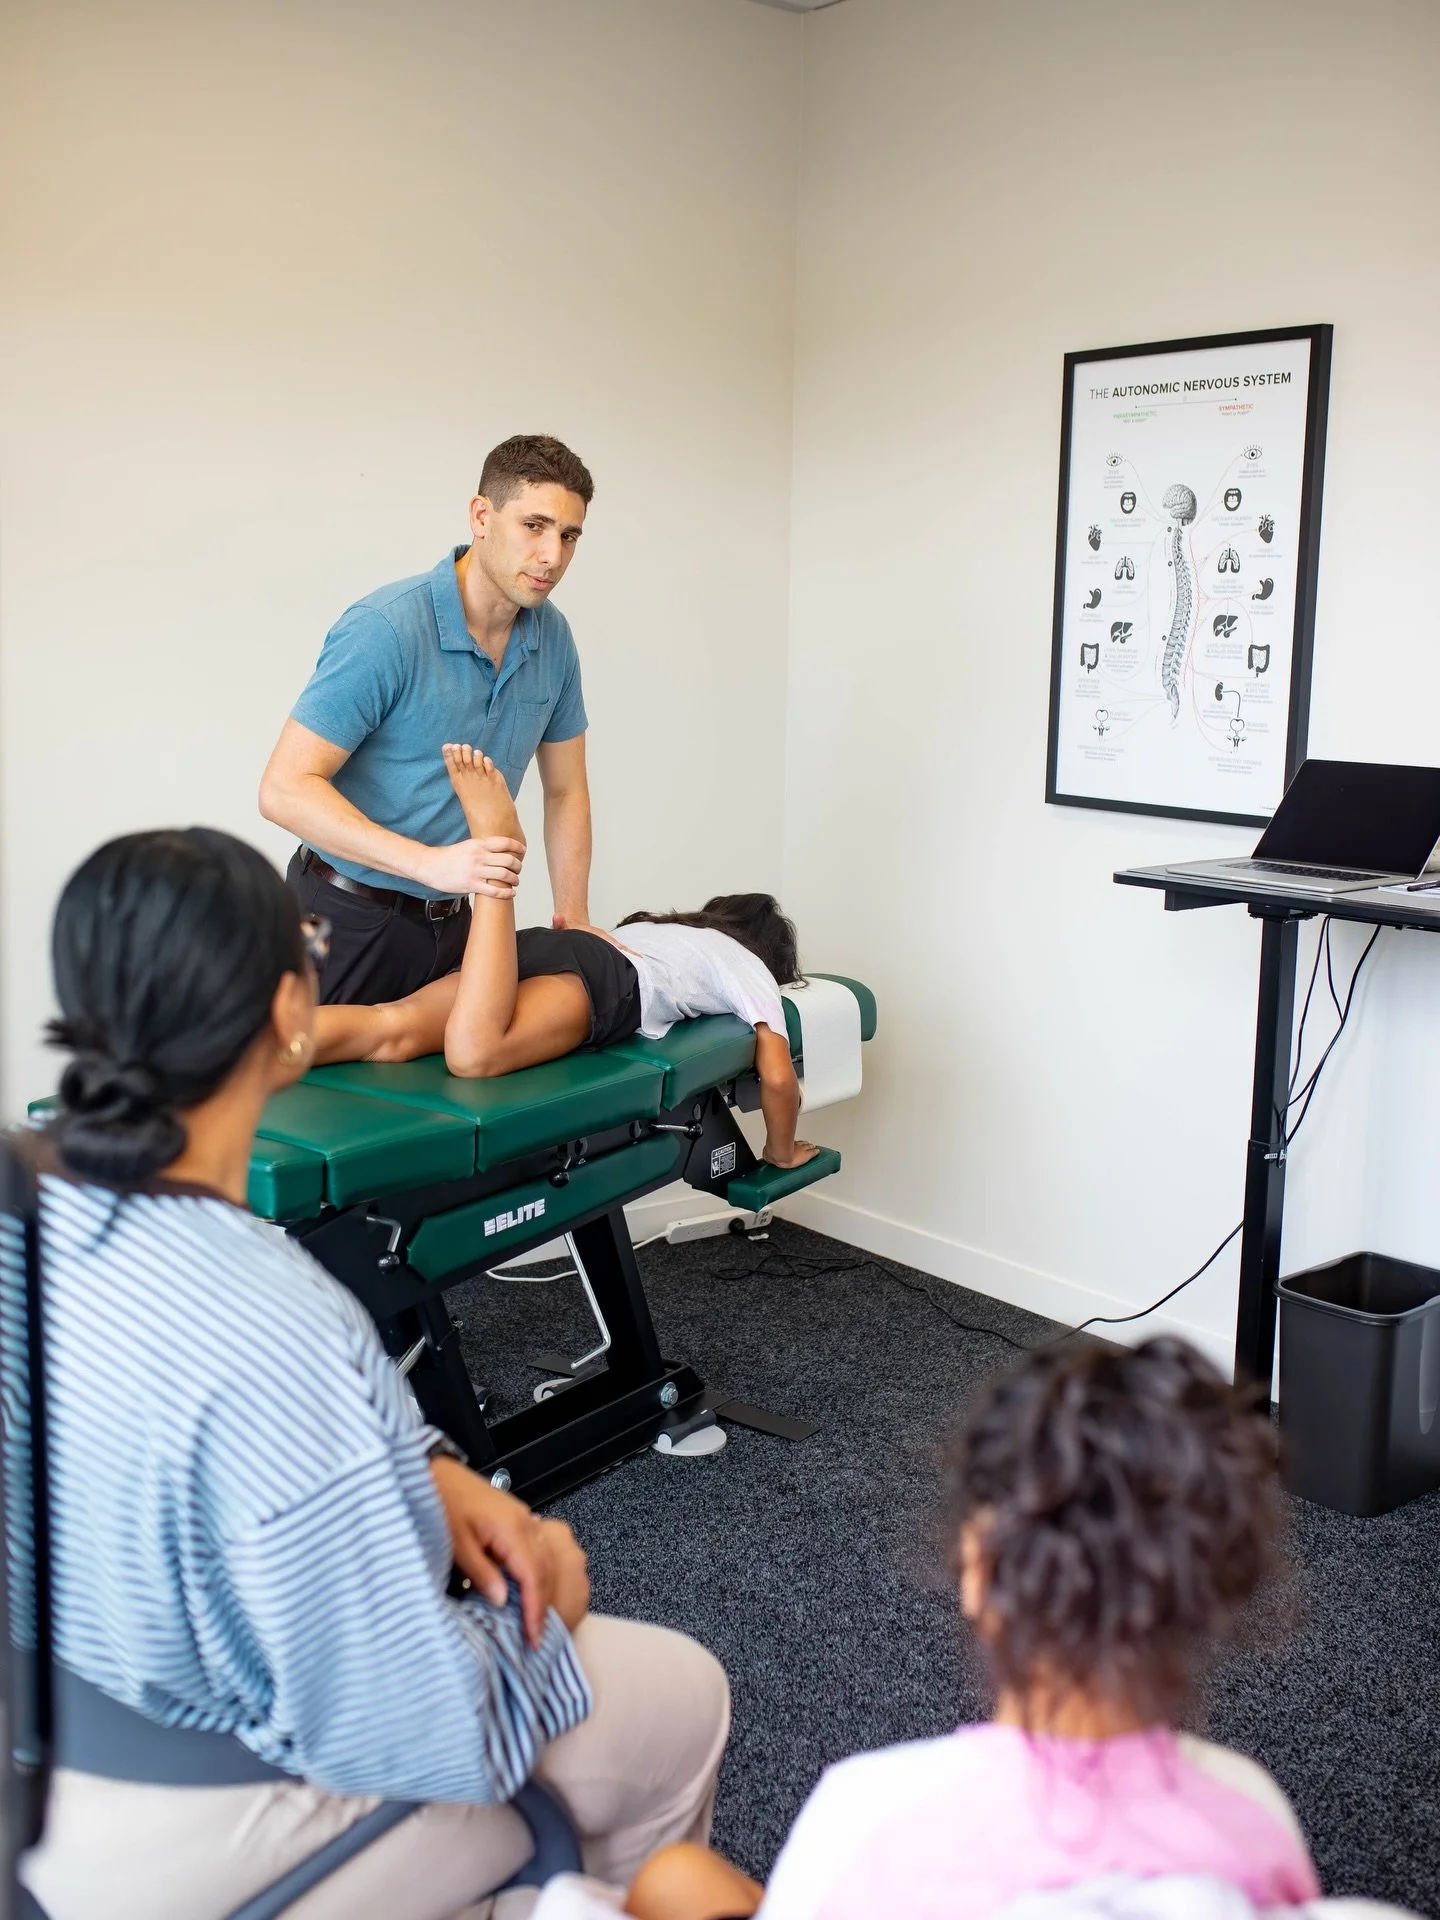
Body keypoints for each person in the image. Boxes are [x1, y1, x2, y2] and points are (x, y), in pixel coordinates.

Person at [17, 828, 730, 1920]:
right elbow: (417, 1725)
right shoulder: (278, 1321)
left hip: (46, 1728)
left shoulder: (28, 1208)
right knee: (684, 1697)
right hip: (196, 1815)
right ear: (287, 1009)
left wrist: (421, 1467)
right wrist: (548, 1608)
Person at [617, 1337, 1320, 1920]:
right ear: (1208, 1595)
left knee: (673, 1881)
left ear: (979, 1568)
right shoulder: (1255, 1815)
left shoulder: (865, 1814)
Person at [313, 746, 822, 1171]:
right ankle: (496, 858)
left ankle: (266, 1042)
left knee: (391, 1026)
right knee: (474, 1055)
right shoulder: (745, 963)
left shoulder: (661, 929)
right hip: (608, 977)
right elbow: (778, 1077)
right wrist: (780, 1151)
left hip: (549, 945)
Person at [259, 433, 597, 1006]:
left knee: (449, 1067)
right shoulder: (386, 627)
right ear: (481, 516)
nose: (553, 556)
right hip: (341, 915)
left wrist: (575, 915)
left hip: (455, 923)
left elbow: (565, 790)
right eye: (534, 526)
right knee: (307, 1066)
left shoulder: (554, 638)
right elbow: (283, 789)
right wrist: (431, 865)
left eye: (568, 536)